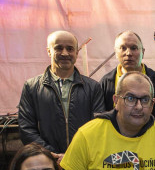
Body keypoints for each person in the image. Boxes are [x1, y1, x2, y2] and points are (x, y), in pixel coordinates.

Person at [18, 30, 105, 160]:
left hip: (84, 160)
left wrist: (75, 155)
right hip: (47, 161)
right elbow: (26, 128)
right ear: (49, 51)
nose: (65, 53)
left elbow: (99, 127)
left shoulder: (93, 88)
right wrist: (51, 154)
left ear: (76, 52)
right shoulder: (31, 87)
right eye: (58, 48)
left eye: (70, 49)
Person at [100, 30, 155, 122]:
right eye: (123, 48)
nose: (128, 53)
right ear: (116, 53)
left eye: (134, 48)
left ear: (143, 52)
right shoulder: (106, 83)